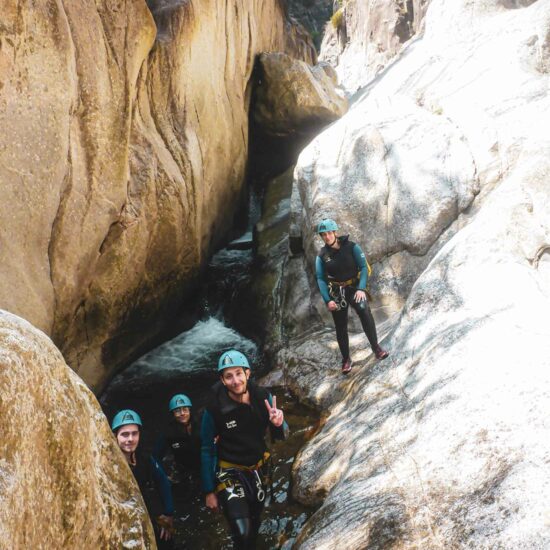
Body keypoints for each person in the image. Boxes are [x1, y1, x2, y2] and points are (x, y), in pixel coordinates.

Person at [200, 350, 286, 549]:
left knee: (254, 523)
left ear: (247, 373)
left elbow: (280, 436)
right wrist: (208, 491)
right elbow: (206, 448)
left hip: (257, 469)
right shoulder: (214, 408)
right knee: (242, 529)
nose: (235, 380)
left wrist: (277, 423)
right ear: (222, 380)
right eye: (228, 376)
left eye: (238, 373)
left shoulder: (263, 397)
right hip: (229, 472)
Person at [315, 218, 389, 374]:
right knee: (340, 325)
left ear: (335, 232)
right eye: (323, 235)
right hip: (337, 291)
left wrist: (361, 289)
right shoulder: (321, 256)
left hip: (355, 287)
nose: (327, 237)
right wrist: (328, 300)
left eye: (329, 233)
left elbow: (363, 267)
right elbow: (321, 279)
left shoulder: (352, 247)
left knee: (363, 309)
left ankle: (376, 347)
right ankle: (346, 359)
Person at [111, 409, 175, 549]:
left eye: (134, 433)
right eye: (125, 434)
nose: (130, 439)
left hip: (150, 510)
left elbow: (162, 481)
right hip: (130, 518)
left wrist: (168, 514)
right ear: (115, 436)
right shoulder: (111, 466)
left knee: (167, 540)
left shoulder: (144, 457)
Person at [153, 394, 201, 521]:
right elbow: (155, 456)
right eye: (177, 411)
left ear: (190, 410)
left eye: (185, 409)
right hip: (184, 469)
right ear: (173, 414)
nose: (182, 413)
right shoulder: (169, 433)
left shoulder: (201, 423)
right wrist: (163, 476)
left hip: (203, 464)